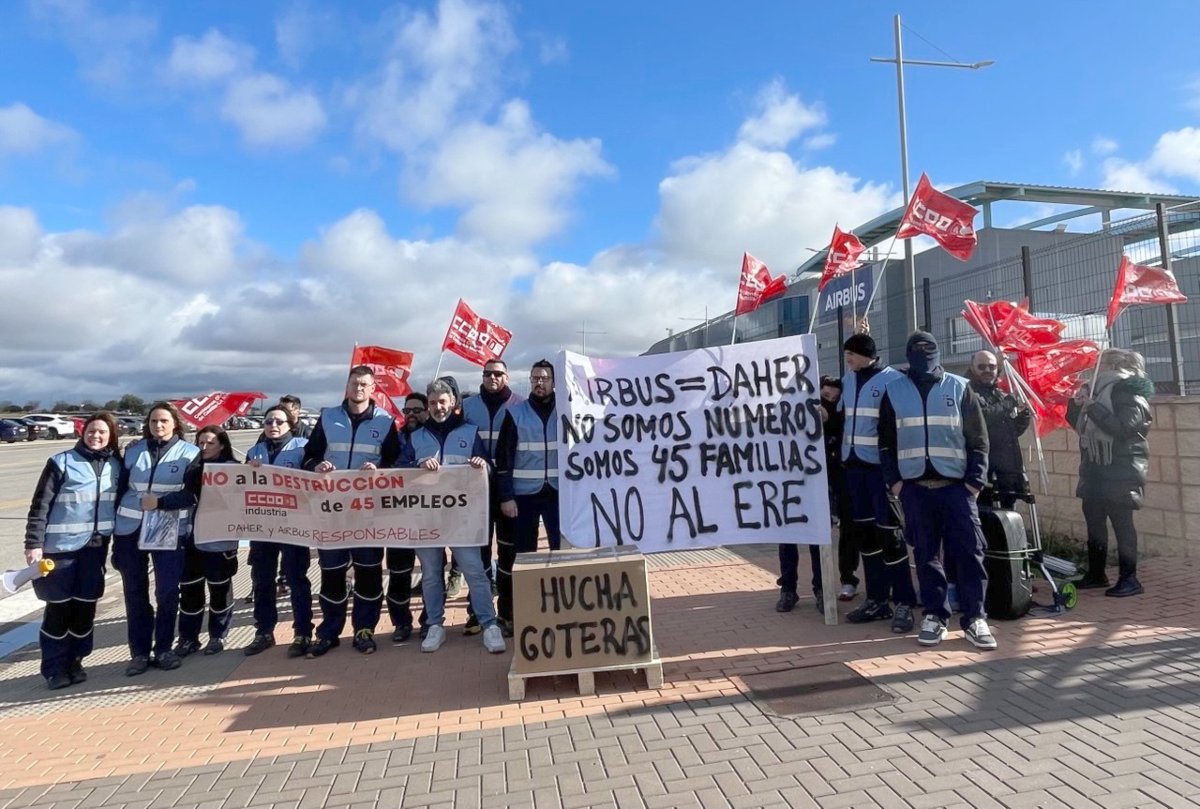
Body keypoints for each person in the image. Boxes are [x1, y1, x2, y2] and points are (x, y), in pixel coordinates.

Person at [879, 332, 995, 650]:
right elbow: (886, 443)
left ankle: (975, 618)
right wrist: (896, 483)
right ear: (908, 355)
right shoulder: (893, 391)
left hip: (957, 489)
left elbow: (979, 441)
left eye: (929, 353)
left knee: (970, 553)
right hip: (915, 489)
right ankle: (935, 616)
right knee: (926, 555)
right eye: (918, 354)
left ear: (938, 354)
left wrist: (974, 483)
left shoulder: (959, 387)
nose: (924, 361)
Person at [302, 365, 402, 657]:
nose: (359, 388)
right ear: (346, 387)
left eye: (364, 384)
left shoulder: (385, 421)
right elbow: (309, 456)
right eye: (354, 383)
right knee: (331, 573)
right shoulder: (328, 417)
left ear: (373, 389)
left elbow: (396, 463)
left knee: (368, 573)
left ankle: (364, 629)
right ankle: (329, 632)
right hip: (331, 511)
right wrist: (315, 467)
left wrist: (380, 470)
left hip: (367, 512)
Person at [23, 412, 122, 689]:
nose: (96, 436)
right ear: (83, 432)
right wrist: (33, 543)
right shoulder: (61, 462)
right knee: (58, 609)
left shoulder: (116, 465)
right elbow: (40, 505)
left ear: (110, 435)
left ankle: (76, 660)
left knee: (85, 608)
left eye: (102, 432)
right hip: (60, 550)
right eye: (91, 431)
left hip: (95, 548)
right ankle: (54, 668)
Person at [408, 379, 507, 654]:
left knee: (475, 572)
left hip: (462, 518)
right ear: (427, 405)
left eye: (442, 402)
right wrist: (416, 465)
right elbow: (398, 471)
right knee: (430, 574)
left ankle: (489, 625)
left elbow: (487, 467)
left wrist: (481, 465)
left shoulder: (469, 432)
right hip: (426, 519)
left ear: (452, 403)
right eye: (432, 403)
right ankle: (435, 625)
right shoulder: (415, 437)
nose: (438, 407)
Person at [112, 402, 200, 675]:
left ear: (175, 423)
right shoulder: (133, 451)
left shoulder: (191, 453)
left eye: (163, 421)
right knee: (135, 593)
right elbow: (119, 488)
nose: (158, 426)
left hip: (167, 527)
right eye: (153, 421)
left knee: (167, 591)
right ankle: (139, 653)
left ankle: (163, 648)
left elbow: (194, 494)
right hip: (130, 529)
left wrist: (161, 502)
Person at [839, 334, 917, 633]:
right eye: (847, 354)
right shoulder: (848, 380)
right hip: (854, 469)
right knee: (866, 538)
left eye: (852, 354)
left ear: (867, 354)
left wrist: (895, 472)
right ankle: (876, 599)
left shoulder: (893, 381)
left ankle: (904, 602)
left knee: (890, 537)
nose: (848, 359)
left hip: (880, 471)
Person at [1067, 348, 1154, 597]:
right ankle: (1096, 574)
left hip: (1122, 469)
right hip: (1095, 468)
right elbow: (1080, 426)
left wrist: (1092, 407)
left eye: (1099, 362)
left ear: (1113, 365)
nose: (1094, 367)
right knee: (1094, 524)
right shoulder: (1097, 391)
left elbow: (1125, 428)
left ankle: (1130, 579)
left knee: (1122, 524)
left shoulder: (1129, 391)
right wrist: (1077, 404)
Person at [158, 426, 239, 657]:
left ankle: (218, 635)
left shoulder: (233, 469)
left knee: (219, 589)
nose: (204, 447)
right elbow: (188, 494)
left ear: (222, 445)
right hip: (191, 538)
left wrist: (253, 469)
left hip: (219, 540)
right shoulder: (192, 468)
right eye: (200, 442)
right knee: (191, 590)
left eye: (210, 443)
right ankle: (188, 638)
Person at [776, 376, 852, 614]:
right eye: (825, 396)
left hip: (824, 485)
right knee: (788, 536)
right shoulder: (799, 412)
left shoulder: (841, 420)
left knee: (818, 537)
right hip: (793, 481)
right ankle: (788, 588)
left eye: (834, 399)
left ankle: (821, 588)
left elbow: (841, 442)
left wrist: (828, 424)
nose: (829, 401)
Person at [494, 359, 559, 636]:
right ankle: (524, 614)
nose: (539, 383)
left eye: (544, 378)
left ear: (554, 382)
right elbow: (503, 460)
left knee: (561, 554)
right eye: (534, 378)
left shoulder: (567, 410)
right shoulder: (515, 413)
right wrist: (507, 497)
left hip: (558, 495)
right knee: (524, 558)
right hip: (524, 497)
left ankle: (560, 609)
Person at [244, 405, 315, 656]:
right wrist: (247, 471)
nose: (273, 425)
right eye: (268, 422)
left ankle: (303, 632)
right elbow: (241, 486)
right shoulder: (255, 451)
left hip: (294, 523)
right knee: (262, 580)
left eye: (279, 421)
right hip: (263, 525)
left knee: (296, 579)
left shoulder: (302, 447)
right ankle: (263, 631)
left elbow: (312, 478)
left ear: (290, 424)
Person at [461, 358, 523, 629]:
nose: (492, 378)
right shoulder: (467, 406)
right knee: (480, 555)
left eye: (498, 373)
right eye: (487, 373)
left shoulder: (520, 404)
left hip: (509, 488)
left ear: (506, 377)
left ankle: (508, 613)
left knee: (509, 556)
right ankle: (477, 612)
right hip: (476, 489)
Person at [967, 350, 1032, 509]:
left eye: (992, 366)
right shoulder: (967, 392)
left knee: (1008, 524)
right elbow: (982, 419)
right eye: (982, 367)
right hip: (984, 474)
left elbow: (1011, 431)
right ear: (972, 367)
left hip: (1007, 474)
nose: (987, 370)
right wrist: (1010, 401)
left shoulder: (1000, 394)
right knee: (987, 524)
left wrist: (1024, 414)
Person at [386, 392, 426, 643]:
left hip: (428, 516)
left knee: (432, 572)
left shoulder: (432, 438)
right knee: (399, 572)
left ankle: (430, 620)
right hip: (397, 516)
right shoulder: (394, 440)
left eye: (417, 410)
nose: (411, 414)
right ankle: (401, 622)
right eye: (407, 410)